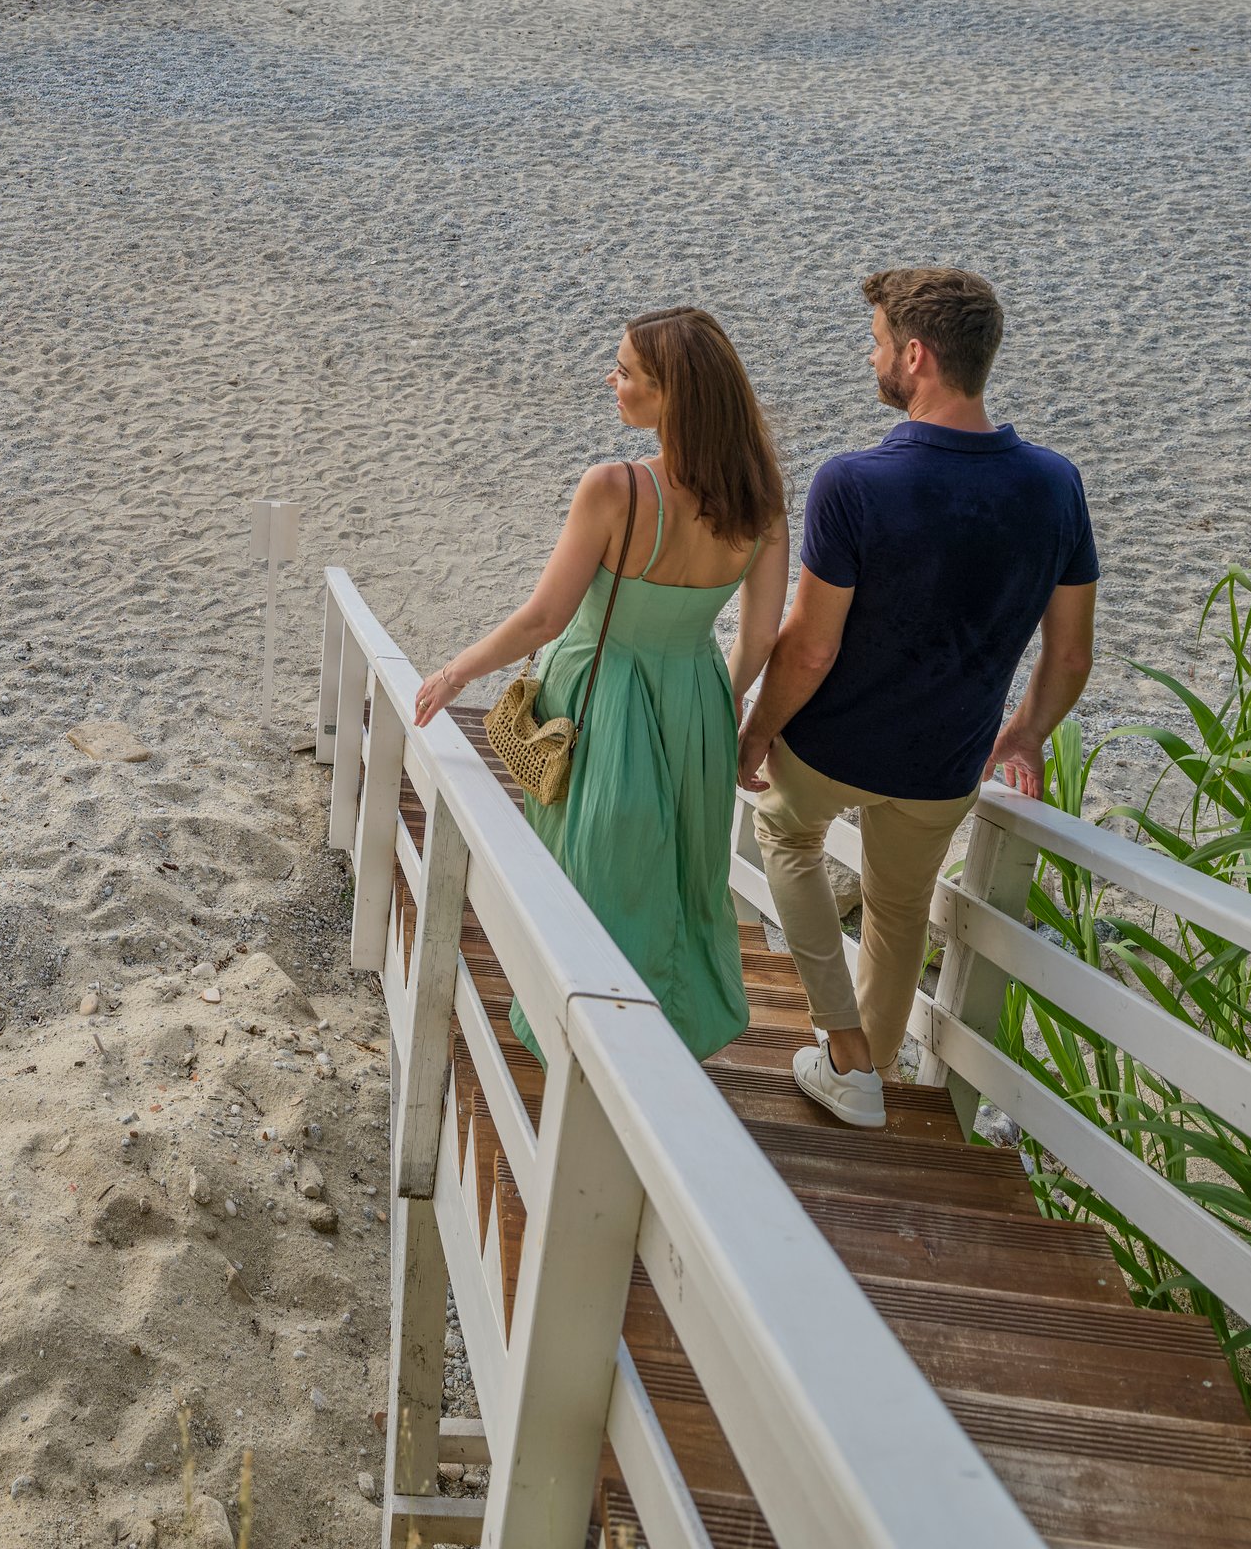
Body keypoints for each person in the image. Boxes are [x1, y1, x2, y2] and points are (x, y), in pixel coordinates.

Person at [744, 266, 1097, 1130]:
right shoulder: (1055, 486)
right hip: (945, 763)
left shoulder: (853, 482)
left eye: (875, 345)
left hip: (830, 750)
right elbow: (1072, 650)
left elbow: (811, 646)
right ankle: (868, 1080)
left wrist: (755, 731)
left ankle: (848, 1055)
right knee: (900, 912)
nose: (871, 360)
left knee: (784, 834)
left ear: (916, 355)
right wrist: (1023, 735)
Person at [412, 308, 789, 1066]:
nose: (610, 381)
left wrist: (457, 672)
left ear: (671, 397)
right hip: (698, 702)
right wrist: (727, 707)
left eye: (625, 374)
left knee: (594, 871)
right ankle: (672, 1037)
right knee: (685, 878)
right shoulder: (762, 498)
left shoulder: (614, 489)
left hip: (605, 697)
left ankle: (588, 1048)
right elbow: (758, 635)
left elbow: (543, 619)